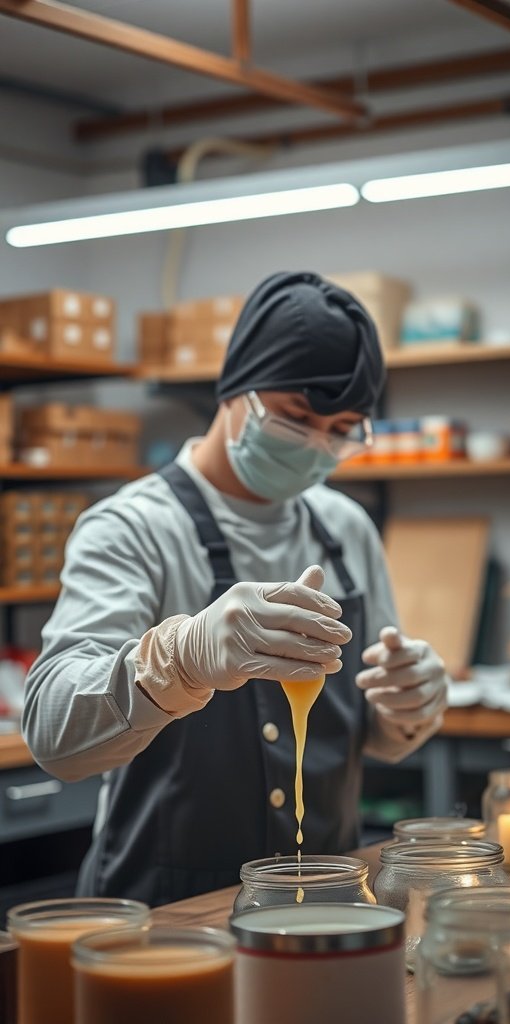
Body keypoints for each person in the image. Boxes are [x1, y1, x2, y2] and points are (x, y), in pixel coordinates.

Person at [23, 271, 448, 907]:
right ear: (234, 391)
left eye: (342, 428)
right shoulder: (133, 528)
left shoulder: (344, 528)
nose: (316, 445)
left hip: (328, 904)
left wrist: (409, 703)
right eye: (297, 417)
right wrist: (180, 660)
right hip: (165, 915)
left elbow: (376, 733)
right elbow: (53, 736)